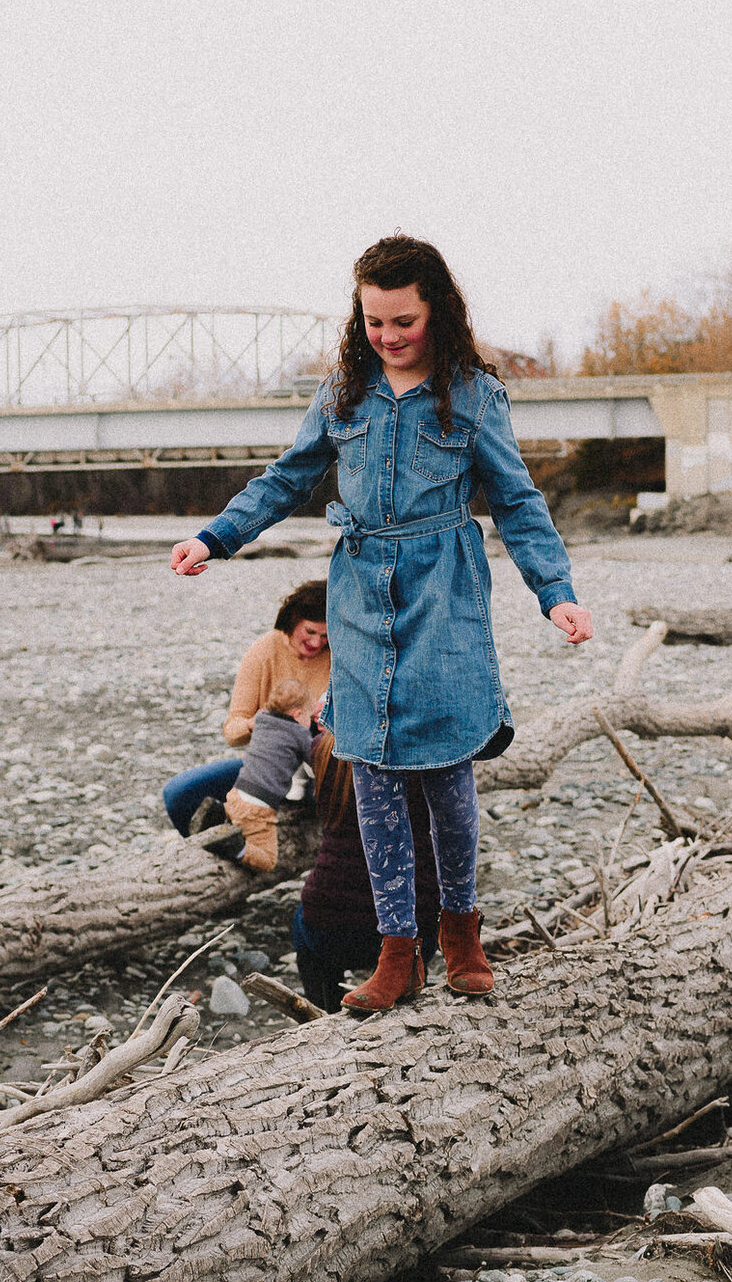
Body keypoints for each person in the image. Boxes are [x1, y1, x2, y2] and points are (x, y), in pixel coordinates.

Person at [171, 234, 593, 1012]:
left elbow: (518, 502)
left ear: (437, 310)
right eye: (374, 321)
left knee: (445, 773)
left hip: (445, 595)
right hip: (360, 596)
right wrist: (214, 536)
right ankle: (396, 951)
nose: (389, 336)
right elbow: (286, 479)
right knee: (372, 773)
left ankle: (458, 930)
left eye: (403, 321)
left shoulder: (472, 395)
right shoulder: (342, 393)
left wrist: (554, 591)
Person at [158, 580, 333, 837]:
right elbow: (232, 731)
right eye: (310, 632)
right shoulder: (265, 649)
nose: (317, 643)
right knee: (179, 794)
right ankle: (227, 851)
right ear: (293, 619)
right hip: (271, 765)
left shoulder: (339, 654)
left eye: (325, 636)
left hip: (322, 769)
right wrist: (256, 722)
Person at [293, 728, 439, 1009]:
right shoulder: (420, 746)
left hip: (330, 926)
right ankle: (410, 987)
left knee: (302, 925)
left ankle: (325, 1009)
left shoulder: (322, 747)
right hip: (418, 922)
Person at [220, 673, 315, 872]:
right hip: (259, 807)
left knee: (239, 816)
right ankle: (236, 849)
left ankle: (219, 812)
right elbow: (316, 763)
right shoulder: (300, 734)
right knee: (268, 861)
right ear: (297, 715)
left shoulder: (261, 718)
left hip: (236, 794)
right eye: (309, 716)